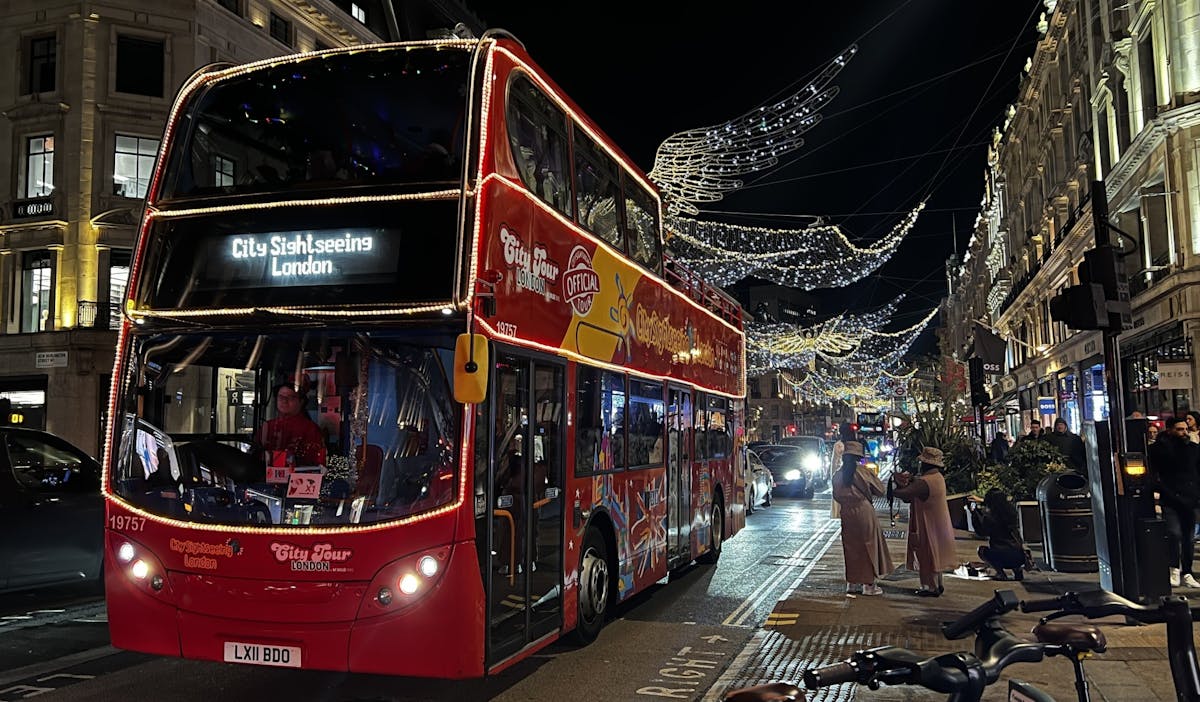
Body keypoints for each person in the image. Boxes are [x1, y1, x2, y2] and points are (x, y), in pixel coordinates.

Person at [893, 446, 957, 597]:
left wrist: (893, 489)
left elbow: (905, 494)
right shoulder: (938, 477)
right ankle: (938, 584)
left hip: (928, 524)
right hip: (938, 523)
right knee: (935, 556)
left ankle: (930, 587)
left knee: (928, 555)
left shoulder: (925, 481)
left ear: (926, 464)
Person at [833, 441, 893, 596]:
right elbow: (880, 490)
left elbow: (836, 496)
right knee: (869, 545)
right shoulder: (863, 472)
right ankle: (869, 585)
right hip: (863, 510)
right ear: (858, 457)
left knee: (851, 547)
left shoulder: (838, 474)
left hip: (847, 512)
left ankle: (852, 583)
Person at [1149, 418, 1200, 588]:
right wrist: (1160, 489)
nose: (1184, 432)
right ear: (1170, 430)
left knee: (1188, 538)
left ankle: (1187, 571)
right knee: (1174, 533)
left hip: (1189, 498)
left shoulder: (1193, 449)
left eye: (1185, 429)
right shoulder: (1159, 450)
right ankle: (1174, 568)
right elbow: (1153, 473)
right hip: (1171, 498)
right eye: (1179, 429)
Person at [257, 383, 327, 466]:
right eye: (281, 397)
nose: (284, 401)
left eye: (291, 398)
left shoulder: (310, 429)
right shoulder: (268, 426)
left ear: (301, 402)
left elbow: (316, 461)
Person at [971, 488, 1026, 581]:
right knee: (1012, 550)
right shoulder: (1012, 513)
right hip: (1019, 556)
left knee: (982, 550)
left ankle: (1000, 573)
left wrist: (974, 514)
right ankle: (1017, 570)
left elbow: (981, 532)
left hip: (1001, 556)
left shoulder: (990, 517)